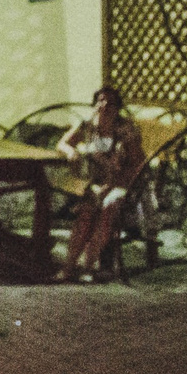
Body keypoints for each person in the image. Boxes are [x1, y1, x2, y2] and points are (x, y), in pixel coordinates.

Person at [56, 84, 149, 282]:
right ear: (95, 104)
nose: (105, 106)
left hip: (124, 184)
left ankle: (88, 266)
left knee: (109, 207)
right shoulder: (87, 125)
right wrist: (70, 151)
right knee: (87, 212)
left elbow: (137, 165)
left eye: (110, 102)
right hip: (95, 184)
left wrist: (113, 185)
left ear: (117, 108)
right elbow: (63, 143)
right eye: (101, 101)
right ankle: (69, 266)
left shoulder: (126, 129)